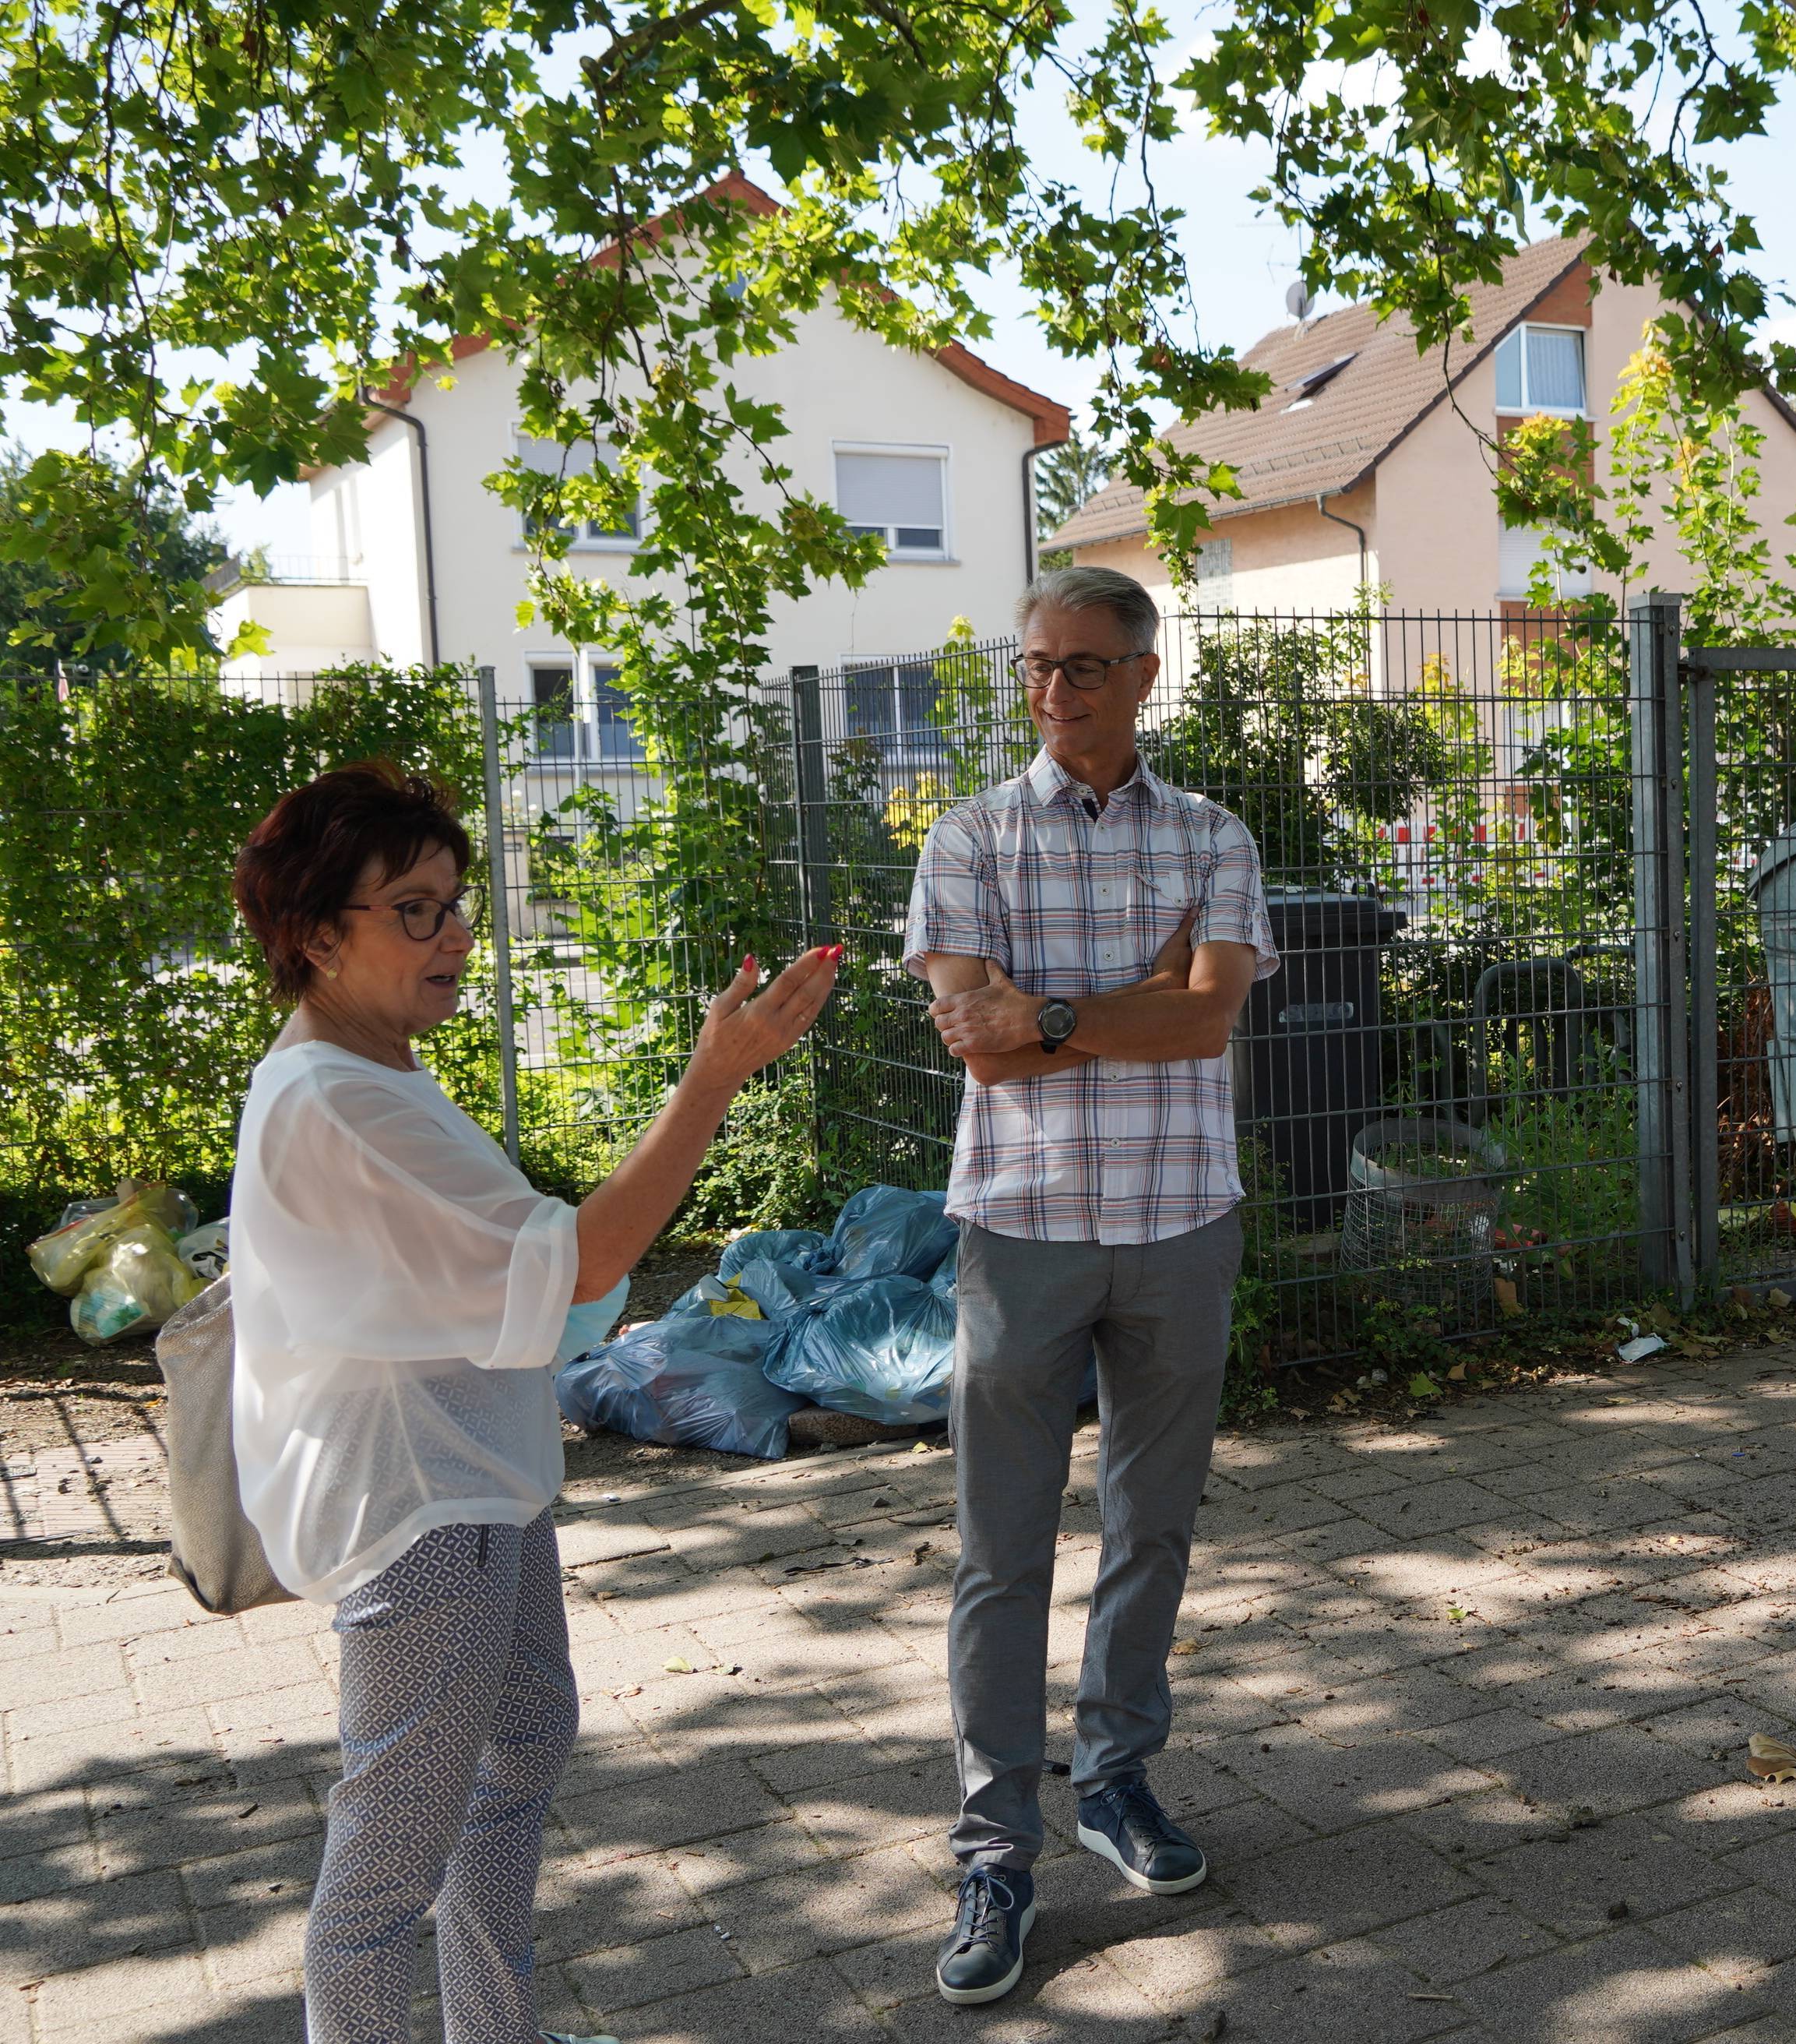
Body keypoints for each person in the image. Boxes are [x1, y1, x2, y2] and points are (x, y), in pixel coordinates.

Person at [227, 761, 837, 2044]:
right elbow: (583, 1258)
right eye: (413, 909)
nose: (453, 936)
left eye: (454, 904)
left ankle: (493, 2028)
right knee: (391, 1847)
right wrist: (716, 1075)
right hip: (420, 1508)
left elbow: (530, 1283)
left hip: (475, 1479)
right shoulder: (336, 1098)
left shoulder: (369, 1071)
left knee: (521, 1745)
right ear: (314, 934)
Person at [902, 565, 1277, 2007]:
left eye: (1086, 667)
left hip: (1184, 1218)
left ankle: (1116, 1779)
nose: (1056, 692)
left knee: (1153, 1524)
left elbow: (1213, 1020)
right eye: (1039, 665)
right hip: (1024, 1222)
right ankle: (995, 1849)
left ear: (1145, 672)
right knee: (1002, 1551)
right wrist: (1139, 1005)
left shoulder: (1216, 835)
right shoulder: (971, 836)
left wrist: (1050, 1008)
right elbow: (980, 1051)